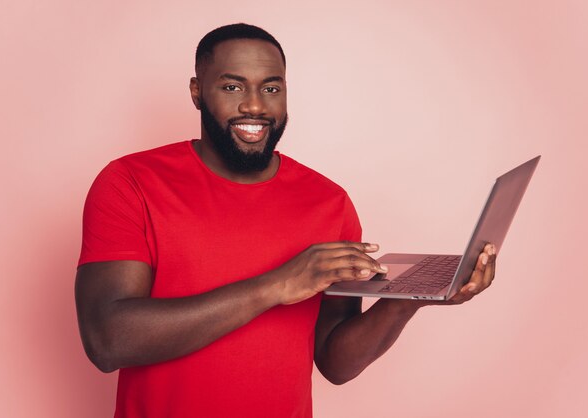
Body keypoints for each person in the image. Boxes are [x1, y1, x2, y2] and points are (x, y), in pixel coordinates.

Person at [75, 23, 496, 418]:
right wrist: (278, 284)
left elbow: (334, 361)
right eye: (232, 85)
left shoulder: (329, 202)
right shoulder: (130, 182)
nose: (255, 105)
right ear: (197, 91)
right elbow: (108, 340)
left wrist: (408, 298)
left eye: (271, 87)